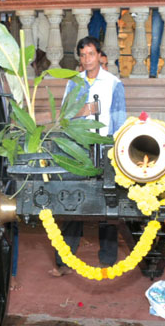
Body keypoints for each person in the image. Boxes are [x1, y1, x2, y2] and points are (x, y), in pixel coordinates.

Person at [50, 37, 126, 277]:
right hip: (78, 147)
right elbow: (64, 117)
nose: (86, 59)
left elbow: (119, 119)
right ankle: (64, 259)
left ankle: (107, 258)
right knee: (75, 200)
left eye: (91, 54)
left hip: (104, 147)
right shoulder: (74, 83)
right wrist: (85, 111)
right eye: (82, 55)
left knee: (108, 202)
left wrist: (115, 151)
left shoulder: (113, 83)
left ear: (100, 56)